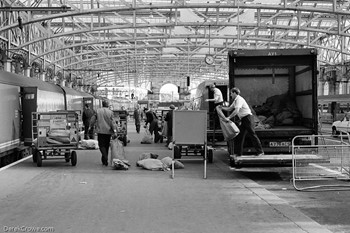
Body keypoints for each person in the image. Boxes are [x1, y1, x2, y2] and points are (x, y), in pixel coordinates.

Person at [221, 87, 264, 157]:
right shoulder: (235, 100)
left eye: (231, 93)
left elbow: (236, 110)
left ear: (234, 93)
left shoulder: (239, 99)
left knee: (252, 134)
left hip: (248, 118)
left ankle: (260, 151)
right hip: (244, 119)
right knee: (240, 136)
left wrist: (228, 117)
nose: (230, 95)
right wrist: (221, 108)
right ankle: (238, 153)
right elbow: (229, 109)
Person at [89, 100, 117, 166]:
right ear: (107, 105)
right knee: (106, 145)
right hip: (108, 131)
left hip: (100, 131)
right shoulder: (110, 112)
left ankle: (105, 157)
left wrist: (91, 126)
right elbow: (113, 122)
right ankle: (104, 160)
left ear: (102, 104)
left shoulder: (98, 111)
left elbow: (93, 119)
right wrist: (115, 131)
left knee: (101, 145)